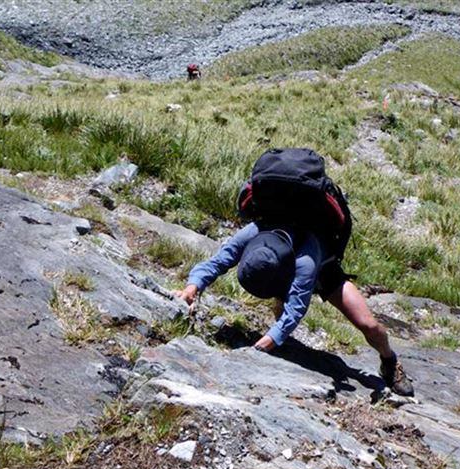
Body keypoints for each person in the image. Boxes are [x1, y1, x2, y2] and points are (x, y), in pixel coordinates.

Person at [173, 149, 415, 397]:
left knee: (369, 325)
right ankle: (284, 338)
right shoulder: (253, 231)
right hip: (281, 267)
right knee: (282, 320)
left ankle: (389, 361)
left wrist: (271, 339)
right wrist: (192, 287)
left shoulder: (305, 260)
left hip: (325, 270)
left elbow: (298, 304)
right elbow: (217, 262)